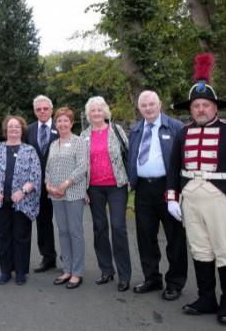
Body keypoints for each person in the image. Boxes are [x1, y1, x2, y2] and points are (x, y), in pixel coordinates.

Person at [166, 54, 226, 325]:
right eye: (196, 106)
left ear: (215, 107)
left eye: (205, 105)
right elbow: (174, 168)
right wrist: (172, 197)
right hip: (190, 199)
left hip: (221, 198)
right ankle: (206, 298)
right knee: (200, 249)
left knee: (224, 250)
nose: (200, 110)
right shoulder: (183, 133)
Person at [128, 90, 187, 301]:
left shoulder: (176, 127)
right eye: (143, 105)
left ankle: (175, 282)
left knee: (175, 237)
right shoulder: (135, 130)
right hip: (143, 189)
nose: (148, 108)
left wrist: (180, 190)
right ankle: (152, 277)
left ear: (159, 104)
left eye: (151, 104)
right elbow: (132, 157)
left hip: (168, 187)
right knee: (145, 236)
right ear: (139, 107)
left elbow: (184, 159)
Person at [82, 96, 132, 292]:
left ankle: (125, 274)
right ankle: (106, 270)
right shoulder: (84, 135)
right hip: (94, 187)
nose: (96, 113)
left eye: (99, 110)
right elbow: (82, 163)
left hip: (117, 186)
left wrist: (130, 179)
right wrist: (84, 189)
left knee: (118, 227)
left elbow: (129, 152)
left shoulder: (116, 130)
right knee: (99, 228)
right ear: (88, 114)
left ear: (105, 112)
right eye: (92, 110)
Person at [0, 115, 41, 285]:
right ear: (6, 130)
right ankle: (5, 271)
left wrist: (22, 192)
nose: (14, 129)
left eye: (17, 127)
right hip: (0, 201)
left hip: (22, 202)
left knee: (21, 236)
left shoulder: (29, 151)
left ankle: (21, 271)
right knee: (3, 236)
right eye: (11, 127)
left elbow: (36, 176)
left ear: (22, 130)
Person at [44, 107, 88, 289]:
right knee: (62, 232)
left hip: (73, 193)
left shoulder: (79, 142)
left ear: (71, 123)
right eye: (59, 121)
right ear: (56, 124)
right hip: (55, 195)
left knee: (75, 233)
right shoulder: (54, 144)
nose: (62, 124)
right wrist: (48, 185)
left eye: (65, 121)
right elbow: (48, 168)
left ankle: (77, 273)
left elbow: (82, 167)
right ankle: (67, 269)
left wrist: (65, 184)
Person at [27, 95, 59, 272]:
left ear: (51, 110)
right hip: (38, 187)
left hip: (60, 185)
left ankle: (68, 258)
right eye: (39, 109)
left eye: (45, 109)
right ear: (34, 111)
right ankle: (48, 258)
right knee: (43, 222)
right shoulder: (29, 130)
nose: (42, 112)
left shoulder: (60, 127)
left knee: (64, 223)